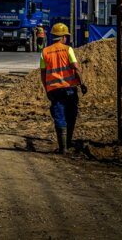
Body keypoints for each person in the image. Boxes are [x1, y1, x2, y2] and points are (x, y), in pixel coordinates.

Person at [39, 23, 88, 154]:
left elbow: (43, 74)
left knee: (59, 116)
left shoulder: (45, 52)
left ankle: (63, 148)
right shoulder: (68, 49)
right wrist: (82, 83)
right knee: (71, 115)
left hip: (54, 90)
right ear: (63, 37)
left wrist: (47, 89)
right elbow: (76, 68)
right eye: (66, 36)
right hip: (69, 88)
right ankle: (68, 142)